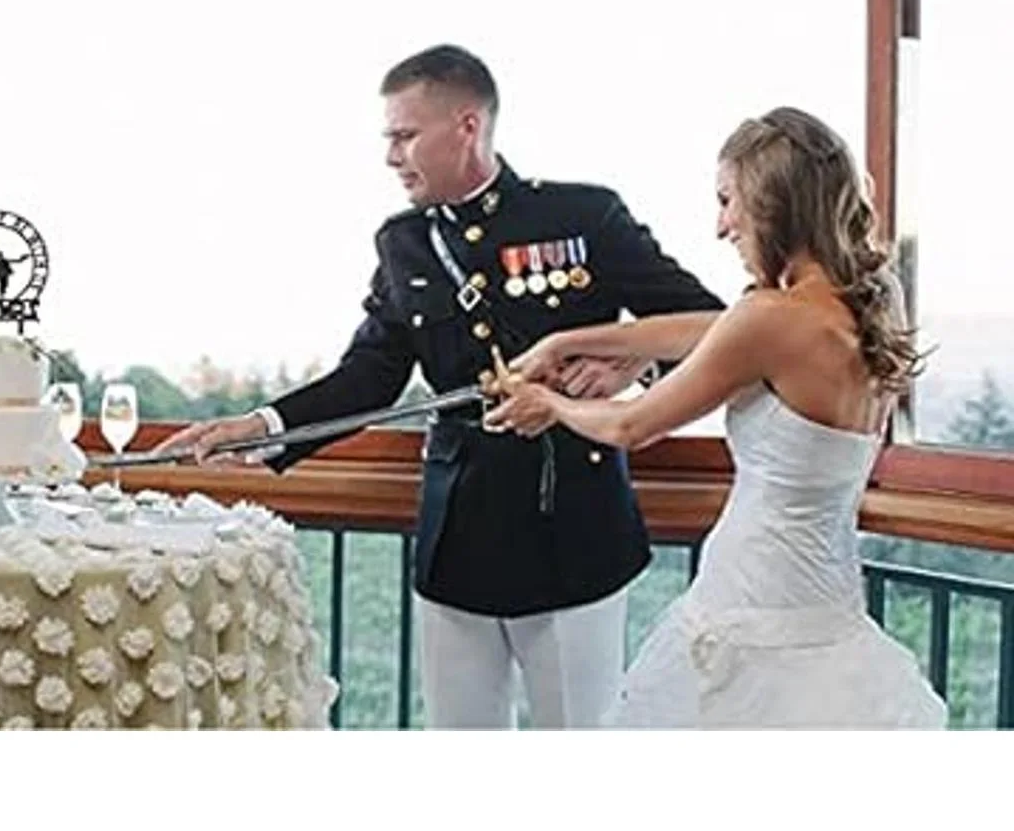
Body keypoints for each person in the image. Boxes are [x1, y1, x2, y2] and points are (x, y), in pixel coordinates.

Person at [155, 45, 723, 728]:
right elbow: (371, 373)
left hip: (574, 529)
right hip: (460, 535)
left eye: (404, 136)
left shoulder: (582, 216)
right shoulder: (404, 244)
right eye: (388, 138)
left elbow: (709, 326)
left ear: (466, 126)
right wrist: (262, 426)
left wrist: (629, 365)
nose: (391, 157)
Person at [484, 106, 946, 728]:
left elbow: (630, 426)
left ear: (772, 202)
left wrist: (549, 404)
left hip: (748, 605)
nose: (721, 225)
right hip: (825, 605)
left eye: (728, 200)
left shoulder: (770, 320)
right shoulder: (869, 301)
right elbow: (709, 331)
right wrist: (567, 341)